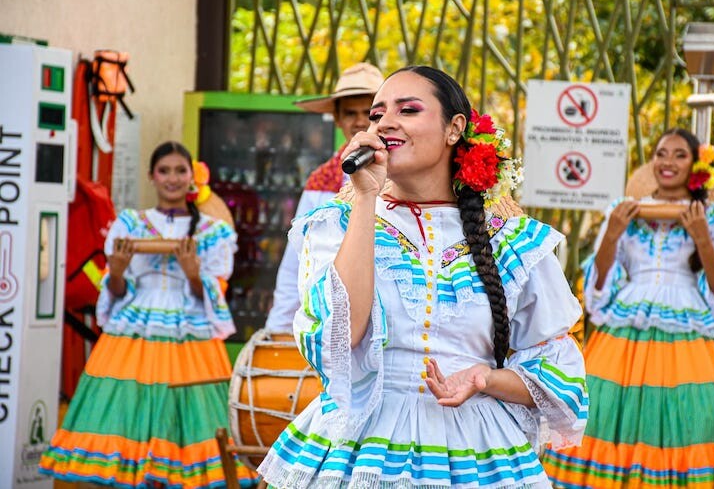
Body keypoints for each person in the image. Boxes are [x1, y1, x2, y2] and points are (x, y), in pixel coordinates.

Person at [256, 65, 588, 488]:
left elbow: (559, 373)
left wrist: (483, 378)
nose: (384, 123)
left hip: (477, 454)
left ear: (455, 129)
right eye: (377, 115)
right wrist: (365, 197)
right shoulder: (334, 224)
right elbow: (341, 335)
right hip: (360, 451)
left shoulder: (514, 240)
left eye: (408, 110)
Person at [542, 128, 714, 488]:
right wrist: (613, 232)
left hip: (691, 331)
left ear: (696, 165)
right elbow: (598, 288)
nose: (668, 161)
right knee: (609, 418)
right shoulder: (624, 211)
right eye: (662, 153)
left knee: (696, 419)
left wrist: (701, 236)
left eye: (680, 154)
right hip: (626, 330)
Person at [40, 142, 257, 488]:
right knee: (127, 414)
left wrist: (193, 274)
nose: (172, 178)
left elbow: (211, 295)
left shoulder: (212, 232)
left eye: (180, 171)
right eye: (164, 170)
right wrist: (116, 272)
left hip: (190, 334)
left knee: (187, 417)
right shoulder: (130, 224)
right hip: (133, 332)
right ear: (151, 176)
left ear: (192, 178)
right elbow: (116, 292)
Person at [266, 61, 384, 333]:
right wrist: (278, 329)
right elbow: (296, 260)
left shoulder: (404, 175)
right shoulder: (321, 181)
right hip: (331, 320)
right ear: (338, 119)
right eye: (350, 113)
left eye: (368, 112)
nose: (359, 121)